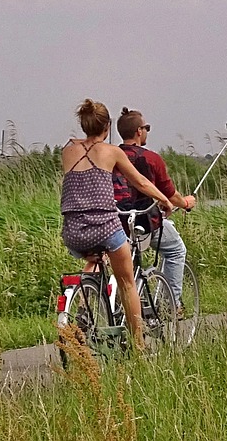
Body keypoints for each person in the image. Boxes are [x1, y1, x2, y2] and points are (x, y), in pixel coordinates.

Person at [60, 99, 172, 349]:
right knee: (127, 282)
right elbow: (141, 182)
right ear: (107, 127)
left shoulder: (67, 150)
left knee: (95, 260)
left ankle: (83, 308)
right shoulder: (112, 152)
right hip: (105, 226)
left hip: (73, 232)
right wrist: (164, 200)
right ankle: (138, 347)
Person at [112, 107, 196, 307]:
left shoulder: (110, 156)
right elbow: (170, 194)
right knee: (176, 250)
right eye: (146, 127)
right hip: (145, 221)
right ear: (139, 131)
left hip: (115, 222)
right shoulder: (151, 159)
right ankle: (172, 304)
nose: (147, 131)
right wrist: (186, 203)